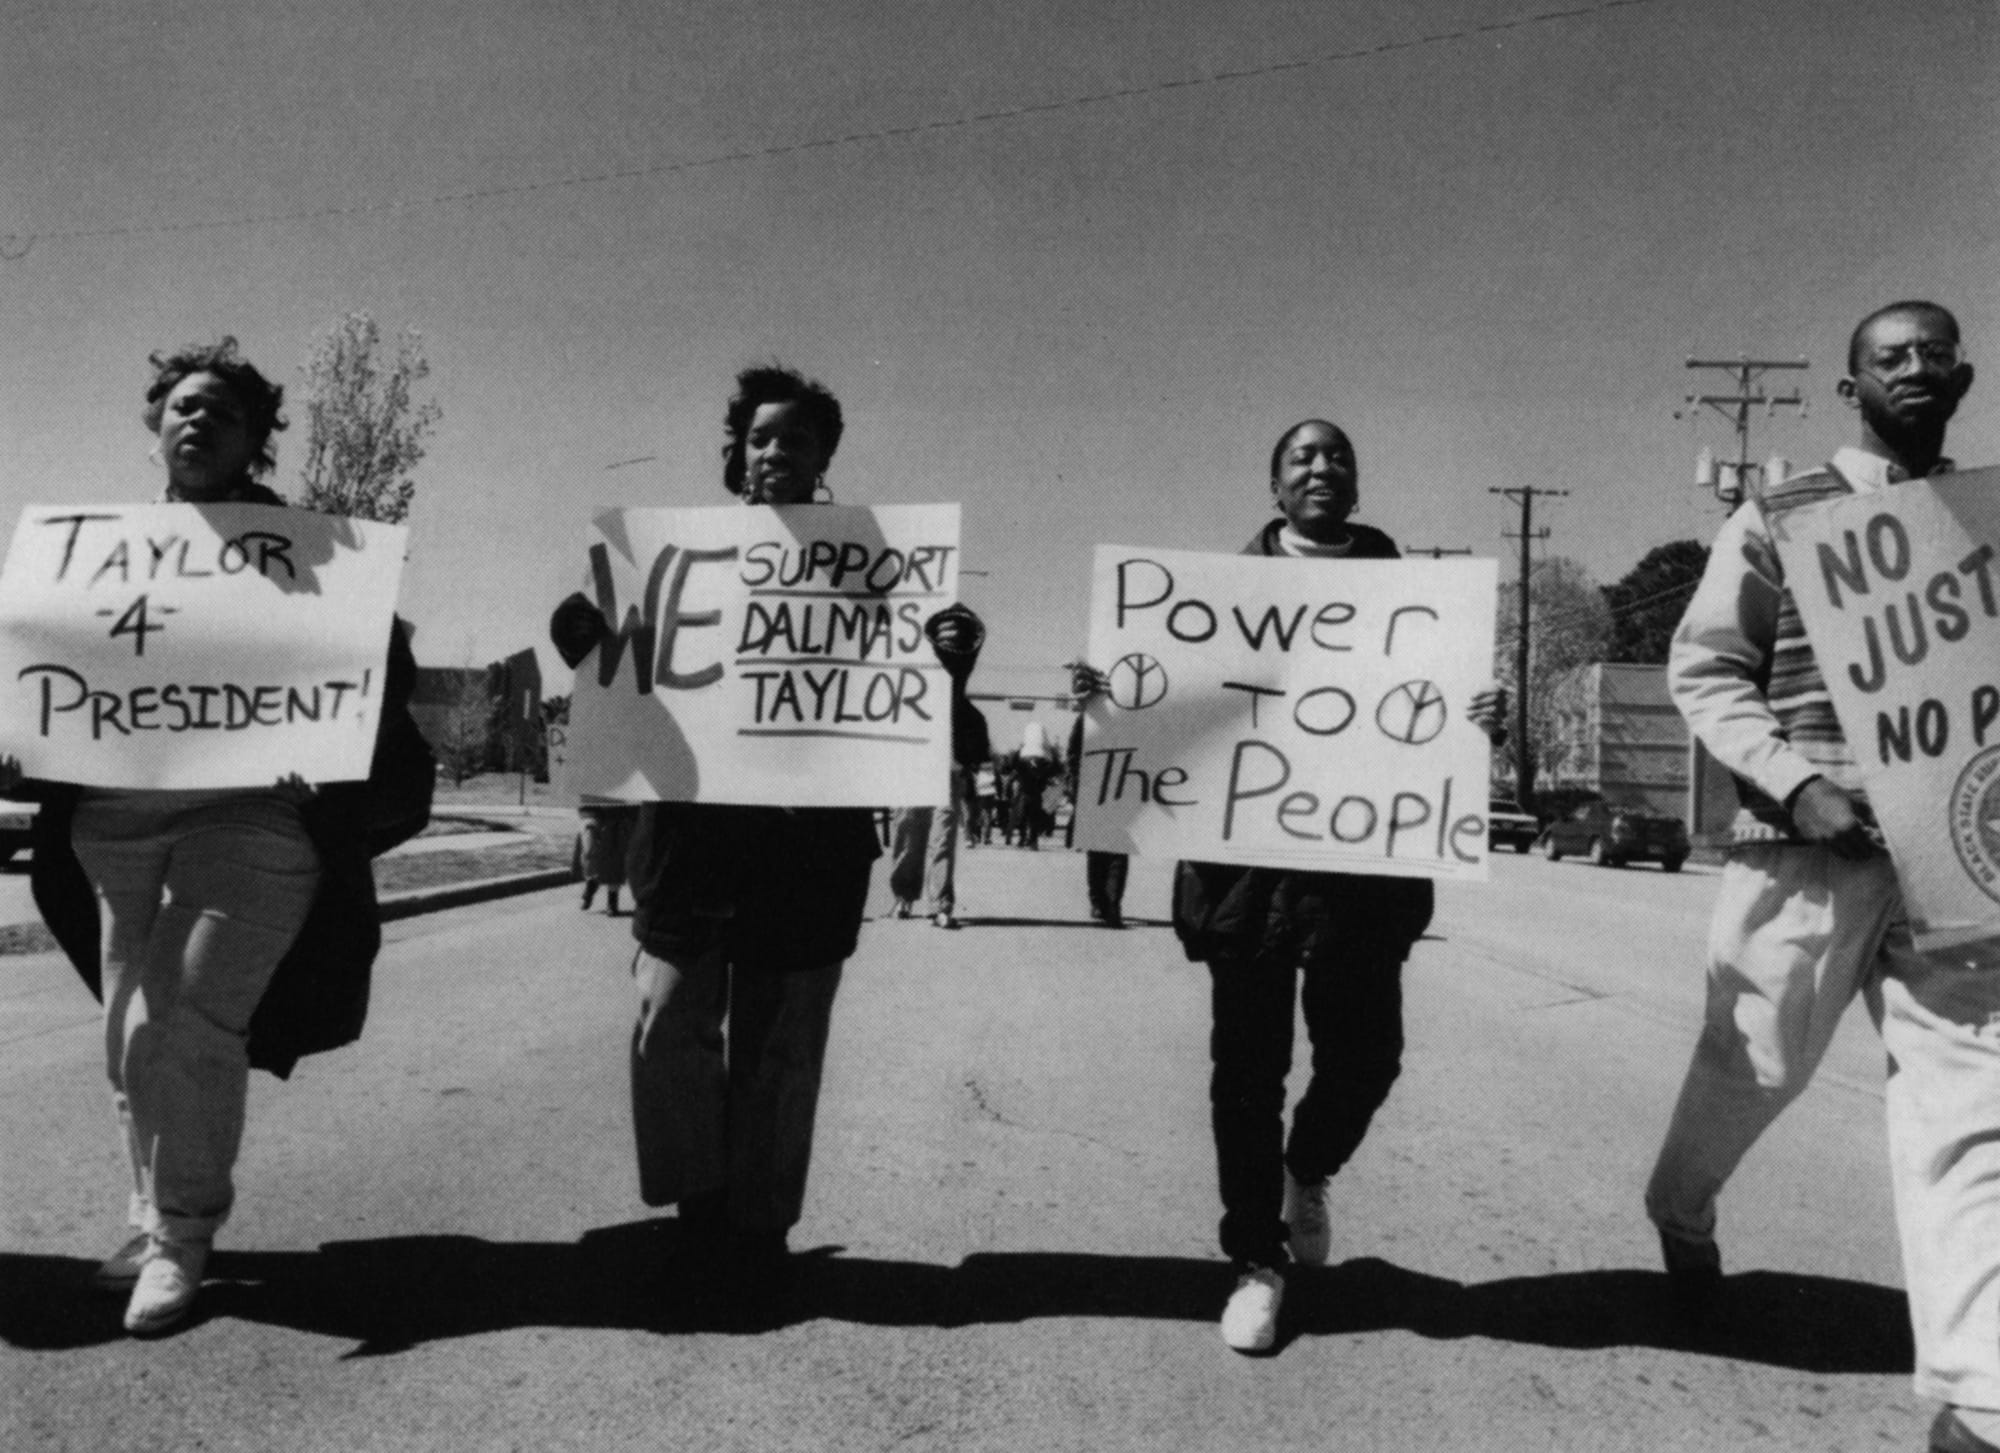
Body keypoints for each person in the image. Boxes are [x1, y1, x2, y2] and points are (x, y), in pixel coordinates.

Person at [6, 338, 432, 1336]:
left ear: (254, 439)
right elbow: (40, 684)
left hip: (255, 815)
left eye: (224, 413)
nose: (199, 421)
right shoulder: (90, 553)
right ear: (153, 422)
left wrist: (331, 737)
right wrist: (22, 746)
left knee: (184, 1020)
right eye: (183, 406)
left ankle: (183, 1237)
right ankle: (150, 1214)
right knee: (128, 1035)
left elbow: (377, 669)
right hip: (114, 819)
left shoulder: (310, 549)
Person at [1640, 302, 2000, 1453]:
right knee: (1753, 1062)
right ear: (1849, 387)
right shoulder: (1779, 514)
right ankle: (1678, 1206)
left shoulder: (1981, 523)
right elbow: (1703, 670)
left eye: (1930, 354)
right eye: (1886, 357)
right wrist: (1794, 783)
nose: (1911, 369)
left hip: (1951, 861)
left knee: (1970, 1111)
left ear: (1964, 376)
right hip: (1805, 853)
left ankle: (1969, 1394)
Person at [1073, 416, 1504, 1354]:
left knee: (1367, 1056)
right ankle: (1255, 1262)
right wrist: (1109, 703)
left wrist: (1482, 716)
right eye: (1301, 456)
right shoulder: (1212, 602)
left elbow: (1440, 734)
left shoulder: (1419, 602)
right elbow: (1171, 722)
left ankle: (1307, 1166)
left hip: (1364, 878)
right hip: (1249, 880)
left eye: (1337, 454)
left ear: (1357, 483)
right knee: (1246, 1077)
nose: (1321, 466)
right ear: (1275, 488)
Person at [549, 364, 880, 1317]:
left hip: (808, 851)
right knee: (670, 1027)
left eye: (800, 440)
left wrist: (945, 655)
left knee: (782, 1046)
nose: (778, 452)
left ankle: (759, 1231)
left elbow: (910, 708)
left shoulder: (869, 566)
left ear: (825, 460)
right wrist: (588, 646)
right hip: (689, 842)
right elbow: (624, 692)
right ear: (736, 448)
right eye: (763, 436)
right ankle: (699, 1216)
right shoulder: (669, 561)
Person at [886, 604, 991, 928]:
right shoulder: (910, 697)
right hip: (914, 767)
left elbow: (979, 754)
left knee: (942, 837)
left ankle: (941, 903)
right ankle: (904, 896)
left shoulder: (968, 713)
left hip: (949, 772)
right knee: (907, 831)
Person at [1066, 710, 1128, 928]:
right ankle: (1105, 902)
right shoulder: (1089, 716)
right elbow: (1073, 754)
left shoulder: (1089, 715)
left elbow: (1072, 754)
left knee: (1107, 850)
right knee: (1109, 850)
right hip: (1103, 788)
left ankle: (1106, 903)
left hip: (1118, 787)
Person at [576, 802, 637, 914]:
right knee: (590, 853)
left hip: (620, 816)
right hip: (593, 814)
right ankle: (591, 884)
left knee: (615, 861)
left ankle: (612, 902)